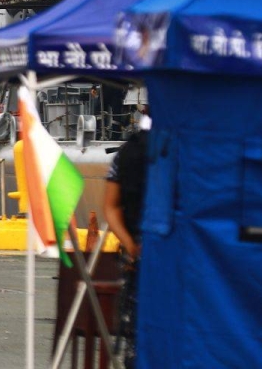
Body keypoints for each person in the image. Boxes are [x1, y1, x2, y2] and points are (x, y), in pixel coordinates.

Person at [104, 112, 150, 368]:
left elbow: (110, 207)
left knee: (136, 334)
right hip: (179, 254)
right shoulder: (187, 147)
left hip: (136, 251)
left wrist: (130, 245)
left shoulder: (128, 151)